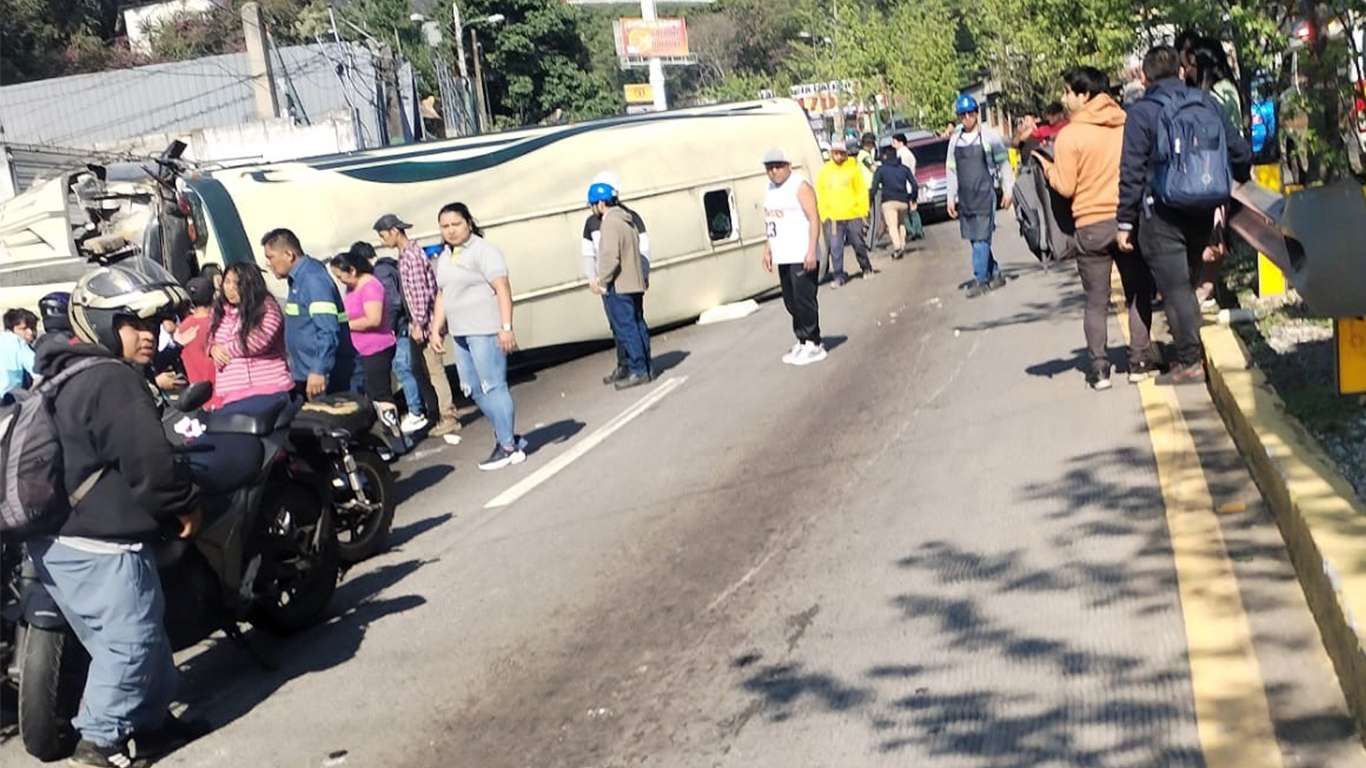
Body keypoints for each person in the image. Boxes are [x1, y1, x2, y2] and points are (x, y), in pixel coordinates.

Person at [33, 258, 202, 768]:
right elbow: (149, 464)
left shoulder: (63, 372)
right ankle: (99, 743)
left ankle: (151, 725)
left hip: (54, 541)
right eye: (133, 323)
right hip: (101, 542)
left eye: (152, 324)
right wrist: (183, 506)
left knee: (136, 636)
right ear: (103, 324)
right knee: (128, 644)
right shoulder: (112, 378)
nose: (148, 335)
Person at [1118, 45, 1252, 385]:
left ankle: (1190, 361)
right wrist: (1232, 185)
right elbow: (1238, 151)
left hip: (1161, 213)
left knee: (1175, 287)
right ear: (1180, 72)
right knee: (1188, 280)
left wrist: (1125, 222)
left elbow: (1132, 171)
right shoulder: (1207, 102)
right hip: (1204, 209)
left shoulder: (1141, 112)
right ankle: (1191, 349)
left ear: (1145, 78)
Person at [1034, 66, 1157, 391]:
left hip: (1089, 226)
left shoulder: (1071, 136)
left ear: (1084, 95)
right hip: (1127, 221)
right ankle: (1139, 361)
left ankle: (1100, 369)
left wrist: (1047, 170)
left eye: (1067, 92)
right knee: (1138, 291)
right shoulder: (1127, 124)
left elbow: (1066, 185)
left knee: (1096, 300)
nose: (1063, 98)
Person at [428, 203, 528, 471]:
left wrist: (506, 327)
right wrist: (436, 328)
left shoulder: (484, 251)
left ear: (468, 224)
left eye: (455, 224)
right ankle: (508, 435)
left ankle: (507, 446)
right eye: (444, 226)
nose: (450, 230)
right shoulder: (445, 257)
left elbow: (502, 289)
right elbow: (442, 294)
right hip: (460, 332)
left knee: (493, 386)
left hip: (485, 329)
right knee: (471, 387)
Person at [376, 214, 462, 437]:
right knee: (420, 369)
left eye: (383, 235)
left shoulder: (411, 257)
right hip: (422, 323)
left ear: (395, 231)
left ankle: (449, 416)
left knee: (435, 371)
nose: (382, 240)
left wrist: (419, 323)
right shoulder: (406, 255)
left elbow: (421, 295)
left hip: (425, 324)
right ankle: (438, 413)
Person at [1181, 34, 1244, 311]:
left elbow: (1231, 138)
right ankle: (1205, 290)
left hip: (1220, 173)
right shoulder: (1209, 93)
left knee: (1215, 236)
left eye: (1192, 63)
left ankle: (1204, 292)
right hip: (1213, 173)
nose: (1188, 70)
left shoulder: (1221, 92)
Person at [261, 228, 359, 398]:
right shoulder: (298, 280)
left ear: (288, 254)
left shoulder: (313, 279)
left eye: (271, 257)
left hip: (327, 379)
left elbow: (328, 329)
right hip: (307, 375)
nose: (268, 264)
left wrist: (318, 369)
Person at [579, 175, 653, 386]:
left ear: (601, 203)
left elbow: (610, 256)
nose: (592, 208)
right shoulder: (627, 219)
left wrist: (602, 281)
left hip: (619, 284)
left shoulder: (610, 223)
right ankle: (646, 367)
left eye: (593, 204)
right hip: (634, 281)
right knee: (638, 324)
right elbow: (641, 251)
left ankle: (638, 370)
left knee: (626, 328)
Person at [357, 239, 431, 433]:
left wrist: (386, 329)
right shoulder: (388, 268)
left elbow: (393, 303)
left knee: (404, 370)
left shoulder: (380, 273)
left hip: (399, 330)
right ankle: (419, 409)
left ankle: (416, 412)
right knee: (410, 369)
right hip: (402, 327)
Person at [946, 93, 1015, 298]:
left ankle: (980, 279)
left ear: (977, 113)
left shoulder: (990, 136)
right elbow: (951, 169)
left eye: (970, 113)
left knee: (981, 239)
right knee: (974, 238)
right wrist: (951, 197)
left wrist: (1008, 190)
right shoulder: (954, 141)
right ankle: (995, 273)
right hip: (966, 198)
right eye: (962, 114)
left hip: (986, 194)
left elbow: (1003, 164)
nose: (967, 118)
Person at [762, 148, 826, 366]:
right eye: (769, 168)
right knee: (790, 300)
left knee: (804, 298)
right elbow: (771, 221)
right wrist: (768, 248)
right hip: (783, 253)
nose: (774, 172)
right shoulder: (770, 189)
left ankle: (814, 342)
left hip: (801, 252)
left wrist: (811, 250)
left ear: (788, 165)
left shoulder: (800, 186)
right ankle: (802, 338)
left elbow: (814, 218)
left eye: (778, 166)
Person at [208, 261, 295, 413]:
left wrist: (224, 350)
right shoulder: (219, 311)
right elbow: (211, 340)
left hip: (268, 390)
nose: (230, 288)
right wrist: (213, 349)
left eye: (237, 283)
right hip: (232, 394)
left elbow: (258, 342)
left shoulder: (267, 307)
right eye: (227, 282)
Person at [329, 248, 398, 410]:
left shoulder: (370, 287)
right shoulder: (352, 288)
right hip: (360, 351)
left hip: (376, 350)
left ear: (352, 270)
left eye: (340, 276)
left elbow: (373, 319)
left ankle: (392, 431)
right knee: (369, 396)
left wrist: (345, 326)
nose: (340, 281)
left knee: (380, 395)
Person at [816, 143, 876, 287]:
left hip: (853, 214)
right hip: (834, 217)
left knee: (858, 243)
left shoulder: (853, 168)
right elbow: (821, 193)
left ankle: (866, 268)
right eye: (835, 153)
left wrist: (863, 212)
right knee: (835, 247)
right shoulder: (825, 171)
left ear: (846, 154)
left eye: (841, 153)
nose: (838, 156)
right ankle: (838, 276)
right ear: (831, 154)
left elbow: (861, 191)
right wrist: (824, 214)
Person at [174, 277, 220, 408]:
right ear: (213, 296)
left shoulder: (182, 329)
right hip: (223, 396)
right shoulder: (219, 324)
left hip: (199, 399)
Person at [870, 145, 917, 259]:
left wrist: (870, 200)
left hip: (888, 201)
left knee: (892, 226)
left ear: (884, 156)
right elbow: (914, 185)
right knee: (901, 223)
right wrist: (913, 199)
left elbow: (874, 187)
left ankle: (897, 247)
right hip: (903, 200)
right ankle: (902, 245)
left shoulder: (881, 170)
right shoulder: (904, 168)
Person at [891, 134, 925, 241]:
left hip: (903, 185)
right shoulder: (909, 153)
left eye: (894, 142)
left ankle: (911, 231)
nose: (893, 144)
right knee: (913, 208)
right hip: (911, 184)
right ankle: (918, 230)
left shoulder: (901, 154)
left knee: (904, 210)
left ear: (901, 142)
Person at [1, 307, 38, 396]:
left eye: (33, 328)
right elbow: (39, 375)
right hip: (8, 403)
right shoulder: (18, 342)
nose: (30, 332)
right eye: (24, 328)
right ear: (11, 329)